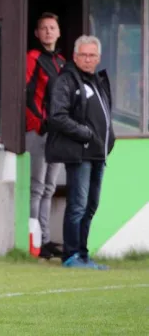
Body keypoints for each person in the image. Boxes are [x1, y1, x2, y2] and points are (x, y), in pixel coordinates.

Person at [45, 35, 114, 270]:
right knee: (77, 205)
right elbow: (57, 116)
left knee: (91, 205)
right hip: (79, 154)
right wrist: (84, 133)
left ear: (98, 58)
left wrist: (108, 140)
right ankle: (71, 255)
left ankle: (83, 255)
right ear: (75, 57)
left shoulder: (98, 81)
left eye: (92, 55)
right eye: (83, 55)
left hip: (98, 155)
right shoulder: (66, 81)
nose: (87, 59)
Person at [25, 12, 65, 259]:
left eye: (52, 27)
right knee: (37, 187)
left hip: (58, 134)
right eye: (44, 28)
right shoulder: (33, 57)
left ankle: (47, 240)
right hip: (40, 131)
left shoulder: (61, 61)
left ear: (58, 32)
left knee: (50, 187)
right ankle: (34, 242)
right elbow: (26, 94)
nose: (49, 31)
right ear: (37, 34)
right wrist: (38, 123)